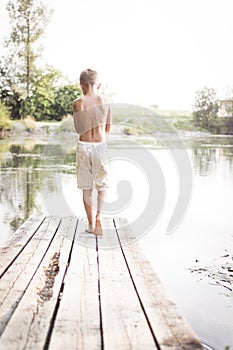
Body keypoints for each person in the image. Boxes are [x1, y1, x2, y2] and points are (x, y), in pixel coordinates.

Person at [73, 69, 111, 236]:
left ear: (81, 85)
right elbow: (108, 128)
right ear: (99, 85)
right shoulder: (106, 101)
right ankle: (99, 217)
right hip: (100, 146)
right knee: (102, 184)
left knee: (86, 188)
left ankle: (90, 225)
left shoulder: (78, 102)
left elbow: (78, 129)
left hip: (84, 146)